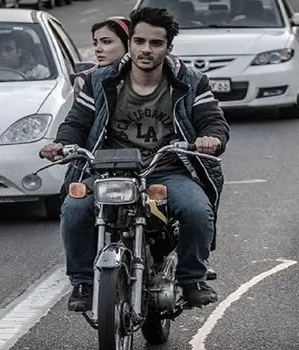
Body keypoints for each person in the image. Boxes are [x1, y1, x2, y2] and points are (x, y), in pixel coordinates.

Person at [40, 7, 230, 312]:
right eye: (139, 41)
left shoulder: (191, 81)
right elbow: (77, 122)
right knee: (74, 208)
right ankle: (83, 282)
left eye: (156, 43)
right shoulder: (99, 81)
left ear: (168, 47)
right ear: (130, 43)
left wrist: (211, 138)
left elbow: (212, 120)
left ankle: (192, 279)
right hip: (109, 170)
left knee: (196, 208)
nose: (146, 49)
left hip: (167, 170)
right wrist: (62, 144)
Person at [73, 17, 131, 96]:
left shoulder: (143, 75)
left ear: (128, 44)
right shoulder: (84, 80)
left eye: (106, 42)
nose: (97, 49)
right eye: (95, 44)